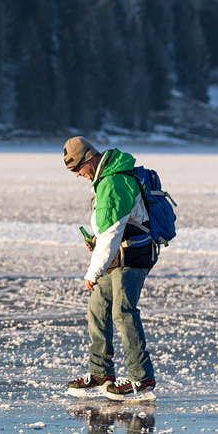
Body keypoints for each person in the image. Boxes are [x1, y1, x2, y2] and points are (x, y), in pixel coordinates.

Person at [63, 136, 156, 400]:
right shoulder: (104, 180)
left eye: (77, 168)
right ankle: (101, 371)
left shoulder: (114, 182)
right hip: (116, 257)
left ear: (89, 159)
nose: (77, 175)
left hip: (133, 257)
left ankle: (141, 377)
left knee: (123, 311)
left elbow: (110, 234)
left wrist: (92, 272)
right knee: (98, 308)